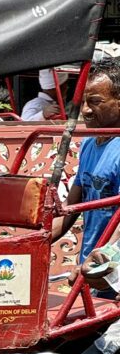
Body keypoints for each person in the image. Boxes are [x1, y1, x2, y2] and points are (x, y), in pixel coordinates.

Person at [52, 60, 120, 264]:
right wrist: (38, 239)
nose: (85, 110)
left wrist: (103, 258)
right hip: (93, 264)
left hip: (108, 265)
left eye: (95, 102)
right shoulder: (89, 144)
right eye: (83, 102)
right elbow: (73, 203)